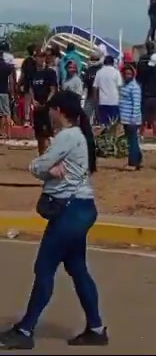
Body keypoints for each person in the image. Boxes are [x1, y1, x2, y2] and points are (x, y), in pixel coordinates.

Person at [0, 90, 107, 350]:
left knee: (45, 268)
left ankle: (25, 329)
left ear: (60, 111)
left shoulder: (67, 137)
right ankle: (96, 328)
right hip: (80, 209)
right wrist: (49, 170)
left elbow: (38, 165)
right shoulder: (77, 136)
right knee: (77, 269)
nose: (49, 113)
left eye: (51, 109)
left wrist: (44, 168)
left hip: (69, 211)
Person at [29, 50, 58, 155]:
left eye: (43, 56)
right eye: (39, 56)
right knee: (39, 135)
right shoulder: (33, 73)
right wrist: (33, 100)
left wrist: (47, 102)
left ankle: (49, 157)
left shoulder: (50, 72)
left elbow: (53, 89)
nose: (41, 59)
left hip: (47, 107)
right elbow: (30, 88)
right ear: (35, 58)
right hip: (37, 107)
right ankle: (41, 156)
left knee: (47, 135)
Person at [119, 64, 143, 171]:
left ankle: (132, 163)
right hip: (125, 117)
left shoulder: (135, 87)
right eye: (126, 73)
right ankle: (138, 159)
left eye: (129, 73)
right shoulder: (124, 85)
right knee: (132, 140)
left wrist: (134, 119)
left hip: (132, 119)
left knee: (132, 141)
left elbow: (136, 104)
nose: (127, 75)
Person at [93, 56, 122, 127]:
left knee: (103, 125)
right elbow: (120, 88)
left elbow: (95, 88)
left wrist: (95, 103)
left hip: (102, 102)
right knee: (113, 125)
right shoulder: (116, 72)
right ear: (112, 63)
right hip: (114, 102)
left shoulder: (99, 73)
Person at [19, 44, 37, 127]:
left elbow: (22, 74)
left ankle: (27, 121)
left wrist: (18, 84)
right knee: (36, 103)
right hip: (36, 84)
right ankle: (35, 121)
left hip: (27, 84)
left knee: (27, 104)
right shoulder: (37, 61)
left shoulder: (26, 61)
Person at [0, 47, 15, 139]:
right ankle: (9, 133)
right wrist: (12, 92)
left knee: (0, 114)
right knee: (7, 113)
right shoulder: (7, 67)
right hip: (5, 91)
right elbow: (11, 81)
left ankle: (1, 133)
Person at [83, 51, 102, 122]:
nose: (93, 61)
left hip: (100, 97)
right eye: (92, 59)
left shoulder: (102, 70)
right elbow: (85, 82)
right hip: (90, 96)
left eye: (95, 59)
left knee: (99, 118)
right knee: (86, 116)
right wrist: (84, 92)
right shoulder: (88, 70)